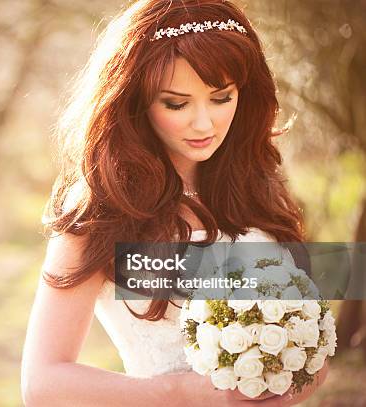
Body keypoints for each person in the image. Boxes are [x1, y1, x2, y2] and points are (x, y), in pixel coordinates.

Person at [21, 0, 328, 405]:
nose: (204, 124)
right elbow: (42, 385)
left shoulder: (260, 190)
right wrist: (180, 394)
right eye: (176, 103)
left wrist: (293, 379)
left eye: (221, 98)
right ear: (135, 100)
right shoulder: (103, 211)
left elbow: (317, 354)